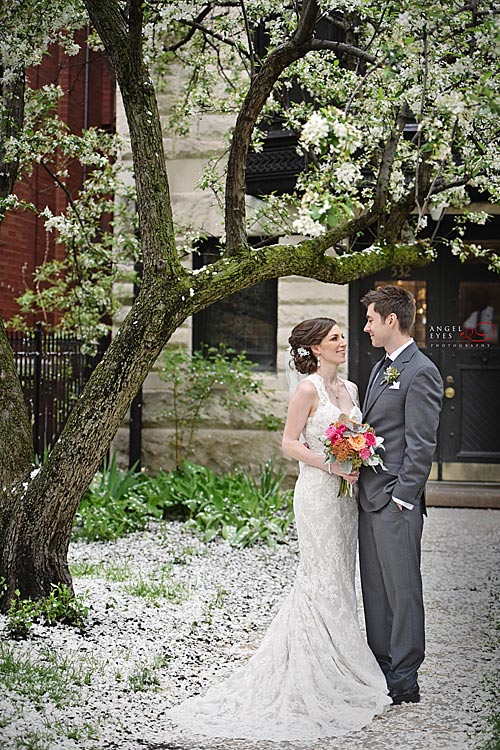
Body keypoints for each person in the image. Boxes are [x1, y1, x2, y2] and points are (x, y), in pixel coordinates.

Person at [167, 317, 390, 742]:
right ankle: (317, 669)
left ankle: (342, 660)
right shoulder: (307, 389)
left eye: (343, 336)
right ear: (313, 349)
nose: (343, 342)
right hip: (319, 496)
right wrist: (334, 465)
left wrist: (357, 459)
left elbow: (359, 435)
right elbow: (289, 442)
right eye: (334, 338)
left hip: (347, 500)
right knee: (318, 578)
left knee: (341, 579)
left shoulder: (353, 389)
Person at [358, 285, 443, 706]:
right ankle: (382, 669)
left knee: (403, 590)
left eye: (371, 319)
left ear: (392, 320)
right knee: (375, 589)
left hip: (394, 501)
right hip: (367, 498)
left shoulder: (420, 370)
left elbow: (421, 443)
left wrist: (403, 498)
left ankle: (405, 680)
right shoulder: (380, 368)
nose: (366, 327)